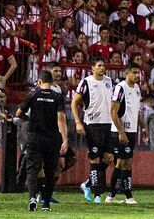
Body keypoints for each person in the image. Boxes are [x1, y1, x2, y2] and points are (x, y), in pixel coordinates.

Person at [16, 70, 69, 212]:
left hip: (34, 136)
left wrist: (31, 119)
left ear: (39, 82)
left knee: (32, 169)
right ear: (51, 83)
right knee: (50, 171)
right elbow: (61, 118)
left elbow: (19, 113)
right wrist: (65, 139)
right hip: (52, 138)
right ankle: (46, 204)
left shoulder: (33, 95)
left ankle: (32, 198)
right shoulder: (57, 97)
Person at [72, 56, 115, 203]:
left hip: (108, 124)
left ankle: (87, 184)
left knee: (109, 158)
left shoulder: (110, 82)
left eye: (103, 65)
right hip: (92, 125)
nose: (102, 68)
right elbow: (74, 102)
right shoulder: (86, 82)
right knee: (95, 159)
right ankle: (97, 194)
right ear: (92, 68)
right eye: (99, 65)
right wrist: (78, 122)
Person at [106, 63, 143, 204]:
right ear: (127, 72)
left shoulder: (137, 89)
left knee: (125, 163)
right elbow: (113, 112)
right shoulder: (120, 88)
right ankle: (126, 196)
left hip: (132, 130)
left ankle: (113, 195)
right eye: (134, 72)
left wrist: (143, 127)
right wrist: (121, 132)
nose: (137, 75)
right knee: (123, 163)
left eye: (138, 72)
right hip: (121, 131)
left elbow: (137, 110)